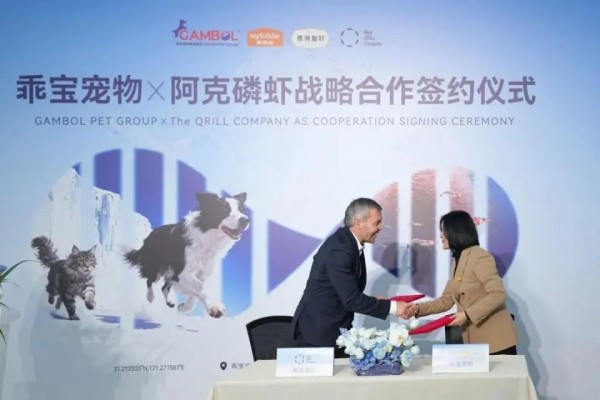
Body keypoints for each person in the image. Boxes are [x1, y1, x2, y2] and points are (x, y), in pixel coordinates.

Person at [291, 198, 410, 358]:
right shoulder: (340, 249)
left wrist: (375, 301)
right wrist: (393, 307)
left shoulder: (347, 243)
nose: (381, 227)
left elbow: (345, 291)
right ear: (358, 223)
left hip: (333, 330)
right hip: (317, 334)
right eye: (377, 222)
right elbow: (351, 299)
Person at [406, 210, 518, 355]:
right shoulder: (457, 261)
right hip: (475, 344)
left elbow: (498, 294)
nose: (440, 235)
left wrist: (467, 314)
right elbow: (445, 301)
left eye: (444, 230)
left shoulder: (479, 256)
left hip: (497, 342)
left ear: (456, 232)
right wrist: (416, 309)